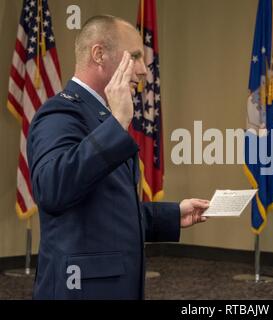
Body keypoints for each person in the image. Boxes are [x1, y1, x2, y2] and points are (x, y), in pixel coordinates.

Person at [27, 15, 210, 299]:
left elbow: (106, 209)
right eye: (135, 57)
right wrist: (117, 124)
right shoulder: (60, 113)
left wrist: (173, 215)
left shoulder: (103, 115)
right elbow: (52, 190)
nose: (143, 71)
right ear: (99, 54)